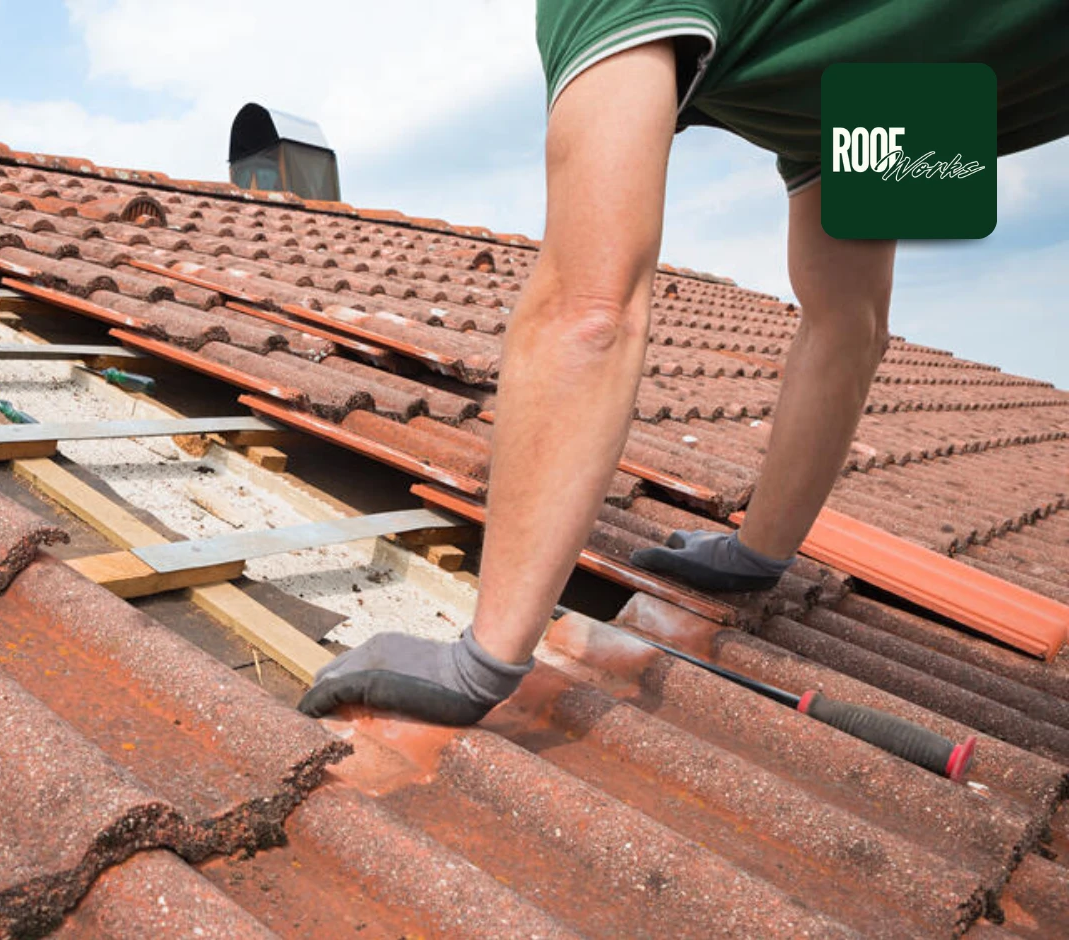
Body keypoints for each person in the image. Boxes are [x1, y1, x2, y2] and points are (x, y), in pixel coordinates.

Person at [300, 1, 1069, 726]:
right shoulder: (849, 86)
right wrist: (754, 555)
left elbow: (593, 313)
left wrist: (481, 665)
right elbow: (852, 322)